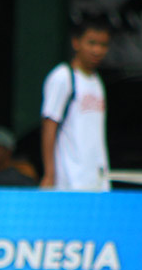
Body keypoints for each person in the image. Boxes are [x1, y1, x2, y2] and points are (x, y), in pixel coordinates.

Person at [40, 19, 112, 191]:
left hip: (97, 179)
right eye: (91, 43)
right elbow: (49, 125)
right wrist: (50, 174)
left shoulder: (97, 82)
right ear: (76, 43)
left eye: (103, 45)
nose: (97, 50)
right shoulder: (62, 77)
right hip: (70, 180)